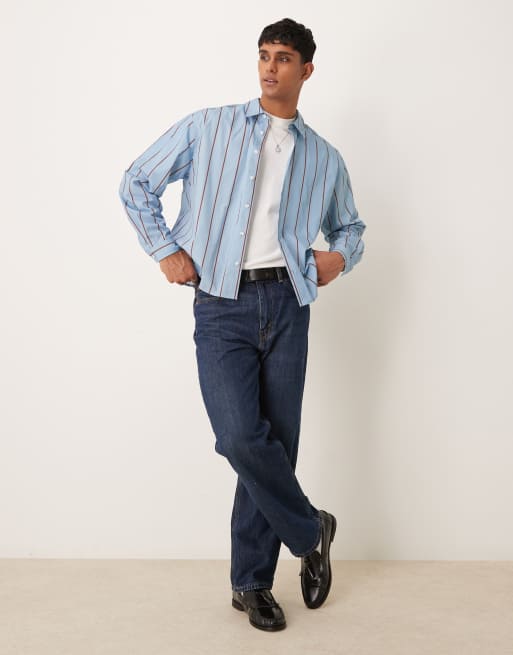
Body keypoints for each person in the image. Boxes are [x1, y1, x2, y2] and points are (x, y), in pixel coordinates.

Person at [118, 17, 366, 632]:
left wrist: (339, 258)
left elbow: (350, 228)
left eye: (283, 58)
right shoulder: (211, 126)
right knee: (239, 438)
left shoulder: (324, 157)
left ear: (306, 70)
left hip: (288, 303)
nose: (270, 67)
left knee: (274, 443)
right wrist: (165, 249)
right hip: (221, 303)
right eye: (264, 55)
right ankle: (311, 530)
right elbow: (136, 181)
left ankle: (251, 583)